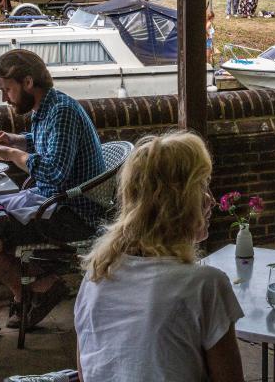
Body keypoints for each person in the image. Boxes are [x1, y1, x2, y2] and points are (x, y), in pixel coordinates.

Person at [75, 131, 245, 382]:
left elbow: (85, 374)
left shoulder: (96, 275)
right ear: (178, 201)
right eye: (201, 186)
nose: (210, 199)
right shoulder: (206, 285)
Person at [0, 49, 106, 330]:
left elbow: (54, 172)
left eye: (7, 90)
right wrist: (19, 140)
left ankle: (38, 287)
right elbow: (50, 144)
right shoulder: (49, 107)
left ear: (27, 82)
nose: (4, 98)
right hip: (54, 202)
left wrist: (13, 155)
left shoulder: (61, 112)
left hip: (73, 214)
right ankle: (37, 286)